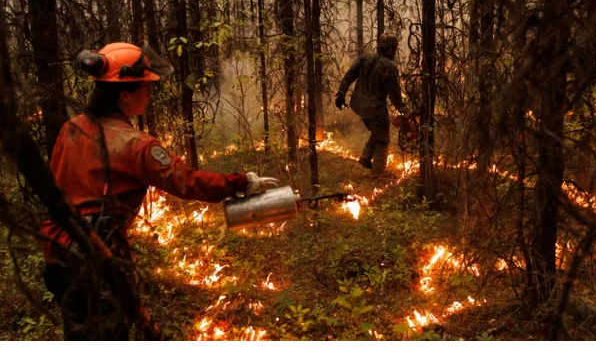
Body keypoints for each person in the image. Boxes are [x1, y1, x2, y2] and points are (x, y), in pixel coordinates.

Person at [40, 41, 278, 340]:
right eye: (146, 89)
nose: (151, 95)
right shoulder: (136, 144)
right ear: (124, 95)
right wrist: (241, 182)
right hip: (97, 257)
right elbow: (187, 182)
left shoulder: (70, 128)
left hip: (57, 250)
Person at [335, 33, 404, 178]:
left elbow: (349, 75)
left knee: (378, 131)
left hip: (359, 105)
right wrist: (404, 110)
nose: (395, 52)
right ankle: (378, 173)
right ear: (390, 49)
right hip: (375, 109)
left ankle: (366, 157)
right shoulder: (389, 68)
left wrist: (341, 94)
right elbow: (395, 95)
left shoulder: (364, 58)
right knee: (383, 140)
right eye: (394, 49)